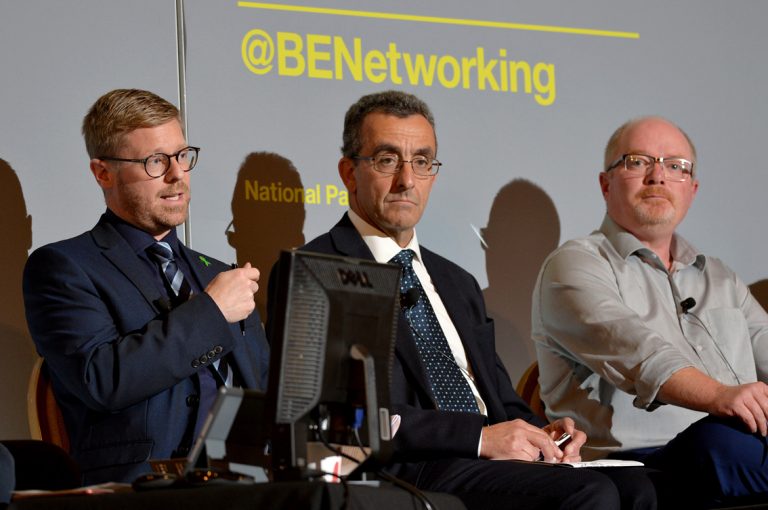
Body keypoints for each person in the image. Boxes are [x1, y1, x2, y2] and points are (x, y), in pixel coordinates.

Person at [268, 90, 658, 510]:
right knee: (590, 494)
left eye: (421, 161)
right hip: (409, 466)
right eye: (386, 160)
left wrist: (542, 433)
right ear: (349, 173)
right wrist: (478, 438)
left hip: (491, 461)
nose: (407, 180)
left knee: (639, 489)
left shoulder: (456, 282)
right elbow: (334, 417)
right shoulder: (316, 270)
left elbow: (500, 398)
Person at [23, 89, 269, 485]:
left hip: (251, 481)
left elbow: (267, 391)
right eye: (155, 161)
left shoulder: (220, 274)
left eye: (182, 156)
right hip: (142, 486)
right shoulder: (65, 268)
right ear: (103, 173)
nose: (177, 175)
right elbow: (102, 381)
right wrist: (211, 312)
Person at [532, 116, 768, 505]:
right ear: (605, 184)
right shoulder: (575, 264)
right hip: (634, 467)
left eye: (675, 166)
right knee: (722, 442)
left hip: (729, 448)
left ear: (691, 190)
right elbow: (640, 355)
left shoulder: (720, 277)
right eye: (638, 161)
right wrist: (722, 396)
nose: (657, 176)